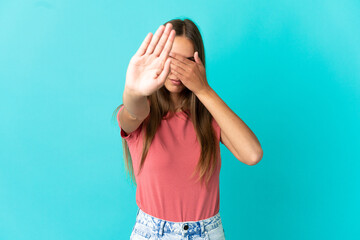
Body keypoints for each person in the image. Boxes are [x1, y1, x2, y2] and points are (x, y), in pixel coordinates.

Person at [113, 18, 263, 240]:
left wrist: (203, 89)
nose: (177, 70)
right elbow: (133, 112)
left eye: (186, 61)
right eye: (170, 58)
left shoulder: (208, 118)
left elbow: (253, 154)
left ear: (198, 63)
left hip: (207, 233)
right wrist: (133, 90)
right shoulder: (144, 114)